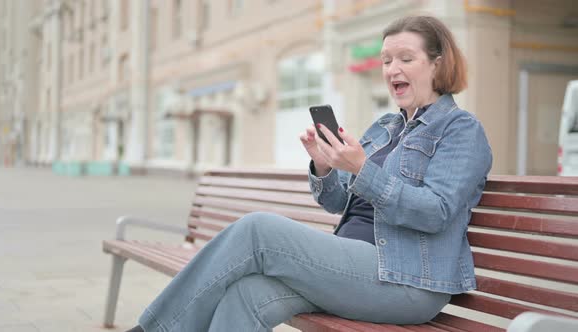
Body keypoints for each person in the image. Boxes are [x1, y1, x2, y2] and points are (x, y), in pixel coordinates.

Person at [126, 15, 492, 332]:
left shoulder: (460, 129)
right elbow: (336, 202)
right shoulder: (384, 127)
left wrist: (363, 170)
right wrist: (325, 166)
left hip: (409, 280)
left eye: (406, 58)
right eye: (386, 60)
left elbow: (436, 212)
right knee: (247, 293)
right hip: (353, 266)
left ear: (437, 64)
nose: (391, 69)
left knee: (259, 230)